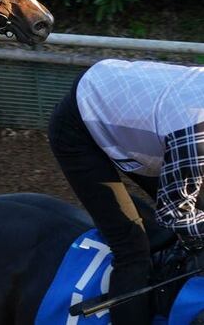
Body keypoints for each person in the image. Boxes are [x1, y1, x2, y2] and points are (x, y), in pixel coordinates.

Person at [48, 58, 204, 325]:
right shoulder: (194, 133)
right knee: (132, 249)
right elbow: (175, 211)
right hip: (78, 128)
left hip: (134, 115)